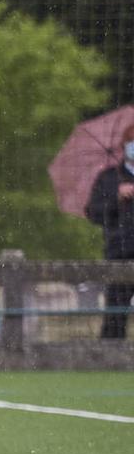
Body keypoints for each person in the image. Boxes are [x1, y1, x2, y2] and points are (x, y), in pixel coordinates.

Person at [85, 122, 134, 340]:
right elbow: (93, 212)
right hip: (120, 252)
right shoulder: (109, 178)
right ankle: (109, 357)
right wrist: (116, 197)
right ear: (124, 146)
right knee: (116, 311)